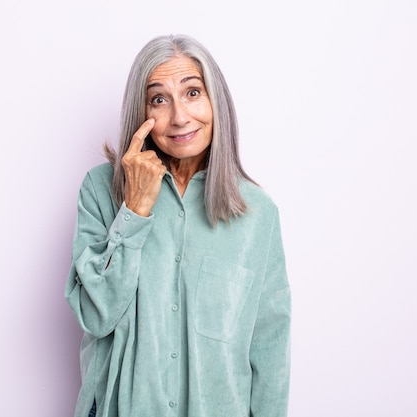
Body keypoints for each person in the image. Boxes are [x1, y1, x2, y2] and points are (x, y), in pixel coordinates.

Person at [65, 34, 290, 417]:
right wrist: (133, 211)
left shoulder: (258, 212)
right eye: (159, 99)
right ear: (141, 111)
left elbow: (269, 345)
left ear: (216, 101)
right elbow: (94, 315)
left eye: (192, 93)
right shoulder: (100, 191)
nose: (180, 117)